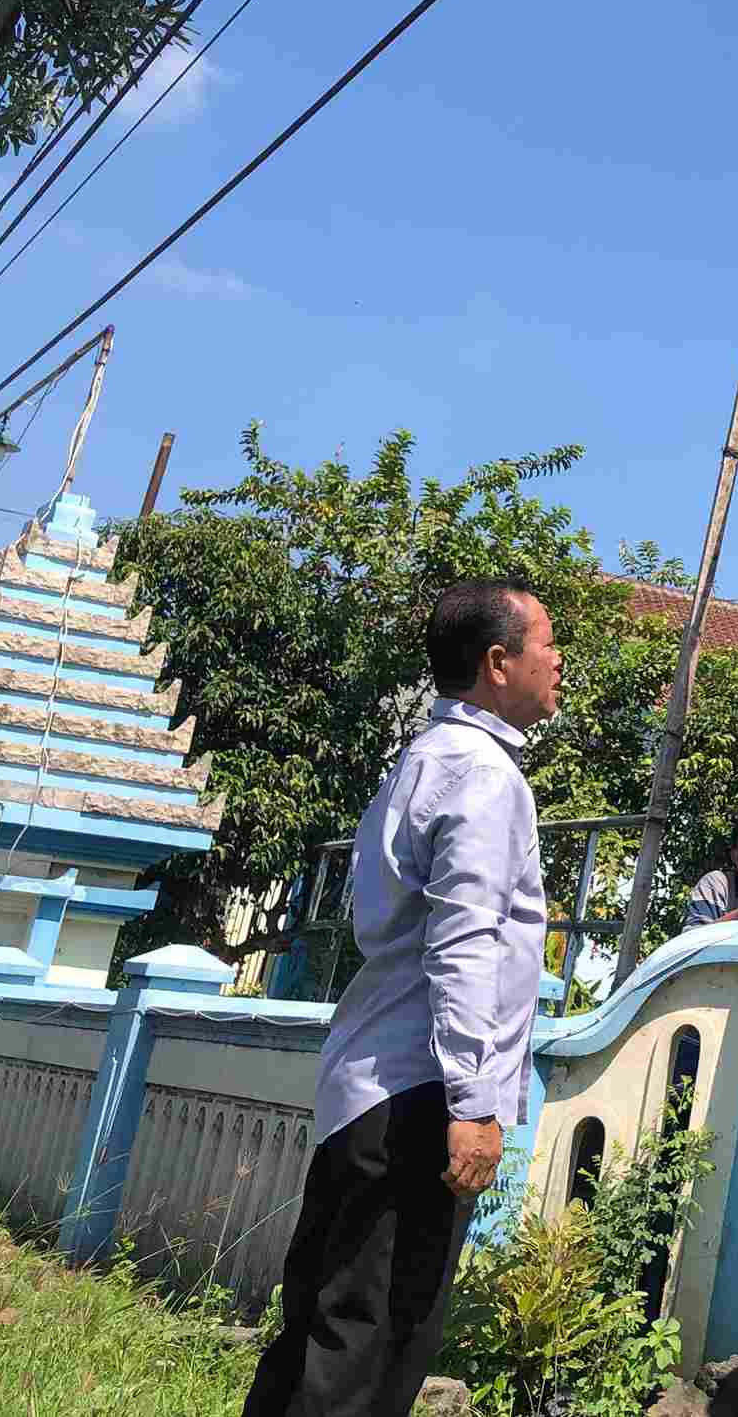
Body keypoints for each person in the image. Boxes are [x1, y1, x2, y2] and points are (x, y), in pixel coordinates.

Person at [245, 578, 561, 1417]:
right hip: (422, 1095)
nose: (559, 661)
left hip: (370, 1085)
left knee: (321, 1330)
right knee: (374, 1347)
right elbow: (464, 946)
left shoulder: (423, 758)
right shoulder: (486, 777)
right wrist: (476, 1101)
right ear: (498, 662)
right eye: (546, 643)